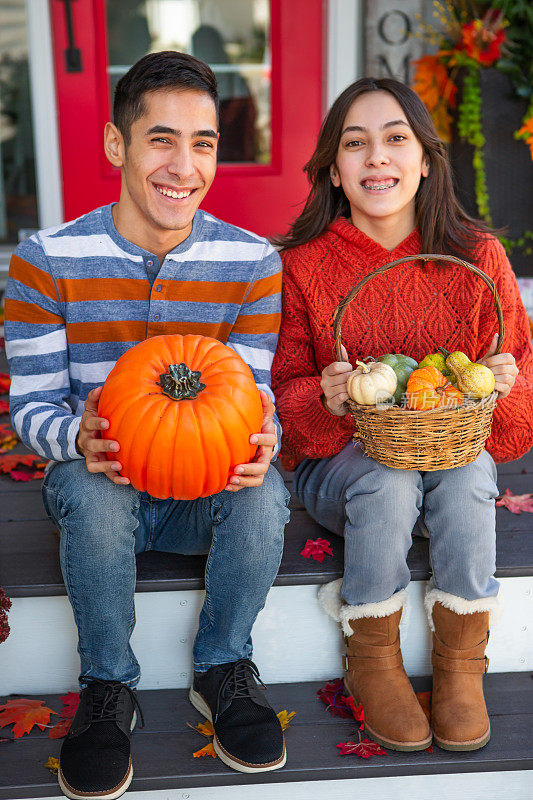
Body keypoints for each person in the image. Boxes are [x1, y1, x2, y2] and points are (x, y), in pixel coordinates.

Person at [4, 51, 289, 799]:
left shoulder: (252, 263)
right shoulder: (45, 262)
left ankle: (224, 665)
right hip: (100, 490)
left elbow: (254, 399)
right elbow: (30, 409)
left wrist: (267, 444)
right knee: (94, 494)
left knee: (266, 497)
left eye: (202, 144)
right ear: (115, 144)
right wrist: (78, 437)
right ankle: (106, 687)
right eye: (161, 139)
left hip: (205, 491)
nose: (184, 166)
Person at [272, 77, 533, 754]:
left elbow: (507, 435)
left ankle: (458, 665)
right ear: (333, 168)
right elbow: (280, 400)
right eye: (354, 145)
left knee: (468, 466)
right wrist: (323, 397)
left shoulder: (478, 258)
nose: (376, 158)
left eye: (395, 140)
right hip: (342, 469)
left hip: (452, 469)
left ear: (424, 159)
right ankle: (373, 660)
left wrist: (501, 387)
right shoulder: (301, 267)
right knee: (387, 477)